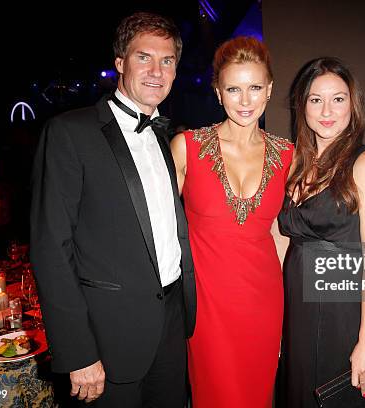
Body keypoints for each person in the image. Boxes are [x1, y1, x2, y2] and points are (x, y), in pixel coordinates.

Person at [31, 12, 196, 407]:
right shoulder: (70, 133)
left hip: (172, 324)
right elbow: (51, 249)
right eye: (144, 58)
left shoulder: (168, 135)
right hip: (107, 338)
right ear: (120, 62)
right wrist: (78, 352)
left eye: (167, 60)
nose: (157, 71)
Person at [170, 36, 293, 407]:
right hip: (208, 308)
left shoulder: (288, 154)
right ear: (218, 93)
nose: (245, 100)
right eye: (234, 89)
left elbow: (281, 235)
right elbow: (155, 226)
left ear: (269, 90)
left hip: (264, 303)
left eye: (255, 88)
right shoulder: (187, 146)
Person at [275, 57, 365, 407]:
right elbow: (283, 241)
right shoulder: (295, 164)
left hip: (344, 309)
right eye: (315, 99)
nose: (327, 110)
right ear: (303, 105)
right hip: (298, 305)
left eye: (338, 98)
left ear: (352, 105)